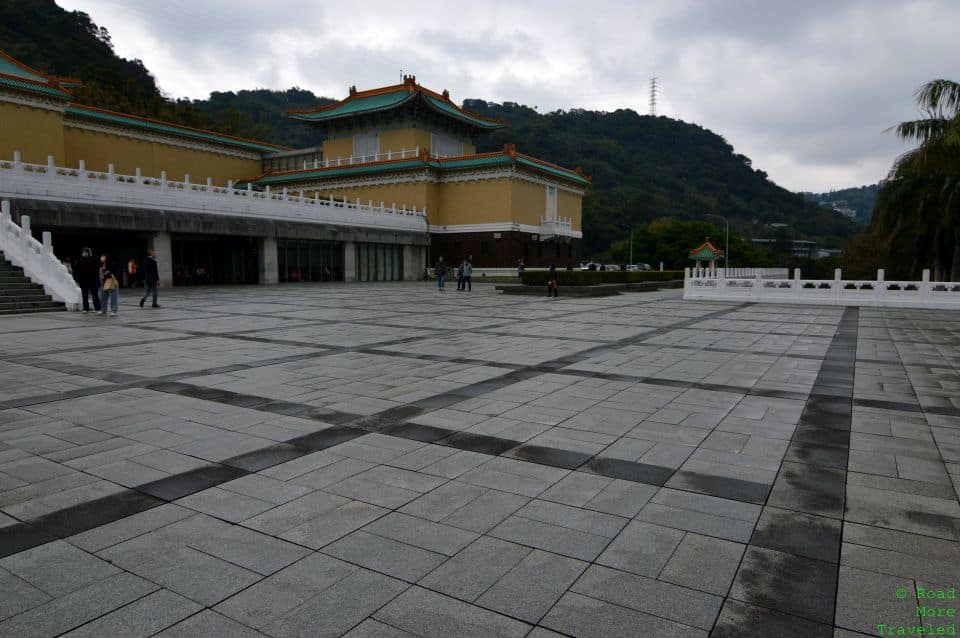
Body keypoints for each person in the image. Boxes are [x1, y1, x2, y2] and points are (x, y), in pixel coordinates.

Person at [75, 247, 101, 313]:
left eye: (86, 252)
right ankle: (85, 308)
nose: (84, 254)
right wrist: (77, 280)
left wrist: (97, 280)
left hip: (93, 280)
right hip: (83, 280)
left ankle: (97, 308)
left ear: (89, 253)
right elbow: (77, 271)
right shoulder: (80, 260)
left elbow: (96, 271)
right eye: (83, 252)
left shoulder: (93, 260)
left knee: (95, 294)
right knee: (84, 295)